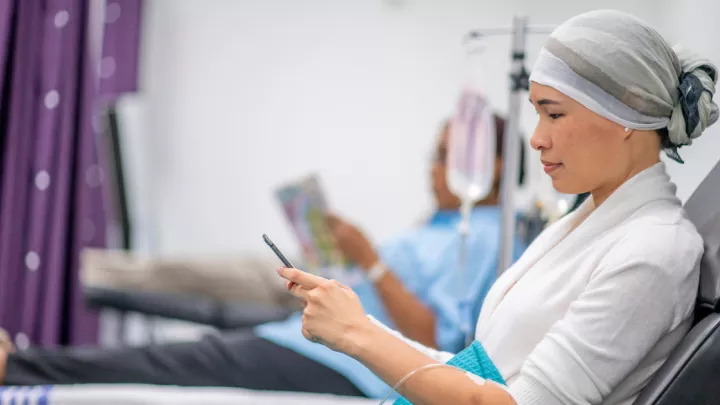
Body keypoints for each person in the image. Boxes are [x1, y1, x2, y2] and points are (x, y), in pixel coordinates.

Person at [274, 10, 717, 405]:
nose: (536, 138)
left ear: (628, 112)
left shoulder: (655, 251)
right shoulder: (587, 224)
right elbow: (476, 372)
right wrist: (354, 318)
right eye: (538, 115)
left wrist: (358, 334)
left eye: (555, 114)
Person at [0, 115, 526, 399]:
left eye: (443, 157)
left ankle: (18, 366)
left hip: (350, 365)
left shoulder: (483, 238)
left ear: (493, 165)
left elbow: (436, 340)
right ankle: (83, 294)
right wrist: (341, 254)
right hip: (321, 334)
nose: (431, 169)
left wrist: (370, 261)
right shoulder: (444, 224)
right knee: (202, 332)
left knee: (184, 358)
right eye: (434, 155)